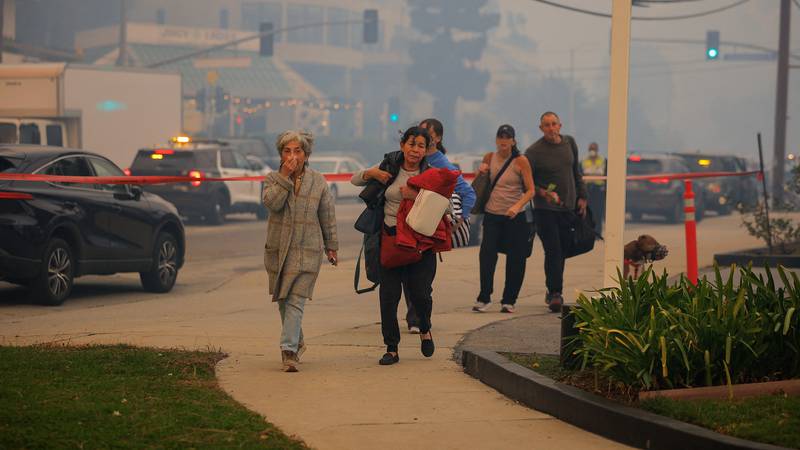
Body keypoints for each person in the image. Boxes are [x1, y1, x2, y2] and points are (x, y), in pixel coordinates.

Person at [351, 126, 437, 365]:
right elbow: (354, 179)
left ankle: (425, 329)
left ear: (426, 150)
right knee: (388, 297)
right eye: (411, 144)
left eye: (421, 145)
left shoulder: (432, 175)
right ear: (402, 145)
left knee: (420, 294)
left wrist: (417, 197)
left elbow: (446, 207)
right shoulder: (389, 166)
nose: (415, 150)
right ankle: (392, 348)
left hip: (420, 246)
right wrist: (372, 174)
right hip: (389, 241)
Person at [262, 130, 338, 372]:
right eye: (287, 151)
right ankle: (297, 340)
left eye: (297, 151)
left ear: (307, 155)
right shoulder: (273, 179)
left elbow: (327, 215)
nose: (292, 156)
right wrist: (285, 176)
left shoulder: (318, 181)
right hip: (279, 250)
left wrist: (331, 246)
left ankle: (289, 351)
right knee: (283, 300)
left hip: (307, 250)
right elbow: (271, 203)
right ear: (281, 154)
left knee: (296, 300)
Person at [394, 118, 477, 332]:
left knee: (421, 278)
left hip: (426, 229)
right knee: (406, 274)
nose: (420, 138)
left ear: (437, 139)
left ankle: (418, 318)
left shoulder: (440, 164)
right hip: (405, 227)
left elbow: (468, 193)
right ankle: (415, 317)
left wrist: (459, 219)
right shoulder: (405, 161)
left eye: (426, 134)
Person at [524, 112, 587, 313]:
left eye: (554, 124)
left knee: (563, 250)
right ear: (541, 128)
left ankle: (553, 288)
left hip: (567, 208)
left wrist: (582, 196)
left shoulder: (570, 143)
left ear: (560, 125)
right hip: (545, 210)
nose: (551, 128)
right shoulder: (533, 152)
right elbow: (527, 181)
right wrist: (542, 193)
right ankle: (555, 292)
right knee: (554, 250)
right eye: (546, 125)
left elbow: (576, 171)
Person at [472, 124, 535, 314]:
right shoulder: (489, 158)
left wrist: (517, 206)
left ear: (513, 141)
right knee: (487, 255)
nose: (503, 141)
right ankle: (484, 297)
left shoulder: (520, 161)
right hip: (492, 214)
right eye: (500, 137)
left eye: (507, 137)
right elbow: (480, 184)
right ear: (496, 139)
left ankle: (509, 300)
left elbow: (531, 190)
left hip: (515, 216)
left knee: (516, 258)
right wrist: (480, 172)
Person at [581, 142, 606, 237]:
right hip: (588, 190)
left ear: (597, 150)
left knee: (598, 213)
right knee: (588, 212)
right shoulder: (584, 161)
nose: (592, 151)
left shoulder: (603, 160)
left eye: (594, 149)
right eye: (591, 149)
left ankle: (598, 233)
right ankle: (589, 233)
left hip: (599, 190)